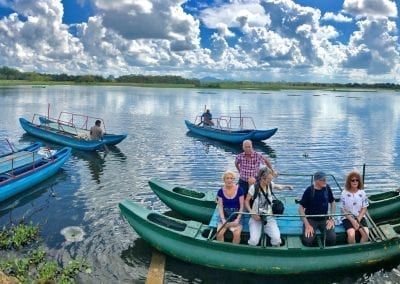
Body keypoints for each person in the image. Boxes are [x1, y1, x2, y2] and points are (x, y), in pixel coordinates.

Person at [245, 167, 293, 246]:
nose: (270, 181)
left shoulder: (270, 184)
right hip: (256, 218)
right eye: (268, 179)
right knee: (254, 241)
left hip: (269, 217)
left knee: (277, 239)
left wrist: (287, 186)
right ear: (262, 178)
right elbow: (246, 201)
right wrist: (252, 213)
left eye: (271, 179)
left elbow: (279, 187)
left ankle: (272, 250)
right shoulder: (254, 188)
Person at [298, 171, 336, 246]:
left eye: (326, 179)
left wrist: (331, 219)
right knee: (307, 240)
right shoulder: (309, 190)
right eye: (323, 180)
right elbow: (300, 208)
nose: (326, 182)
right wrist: (307, 224)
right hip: (311, 219)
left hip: (324, 218)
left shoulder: (327, 188)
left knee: (332, 238)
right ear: (317, 181)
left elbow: (333, 202)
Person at [341, 171, 369, 243]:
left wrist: (358, 219)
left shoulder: (362, 192)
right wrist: (353, 221)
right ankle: (351, 248)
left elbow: (364, 207)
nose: (355, 182)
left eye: (357, 180)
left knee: (366, 234)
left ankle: (361, 248)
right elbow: (343, 209)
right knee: (351, 234)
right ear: (349, 182)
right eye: (353, 180)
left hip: (359, 217)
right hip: (348, 218)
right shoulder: (344, 193)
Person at [216, 170, 244, 244]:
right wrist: (223, 219)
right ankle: (222, 250)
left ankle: (233, 250)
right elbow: (220, 206)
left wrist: (238, 219)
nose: (229, 180)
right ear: (224, 179)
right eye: (227, 178)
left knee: (236, 234)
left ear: (233, 179)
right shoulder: (220, 191)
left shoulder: (240, 190)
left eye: (231, 178)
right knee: (219, 233)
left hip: (236, 213)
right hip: (225, 214)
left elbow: (242, 206)